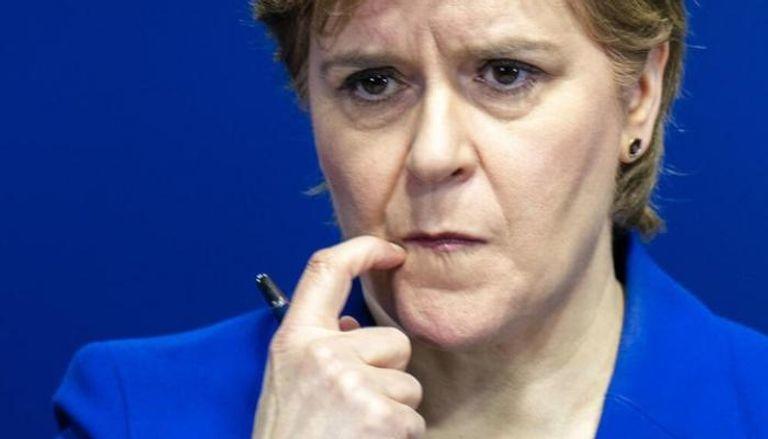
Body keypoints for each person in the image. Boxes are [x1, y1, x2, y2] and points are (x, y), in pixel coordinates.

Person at [53, 0, 768, 437]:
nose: (433, 154)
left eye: (506, 73)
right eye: (373, 83)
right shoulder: (134, 412)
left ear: (638, 95)